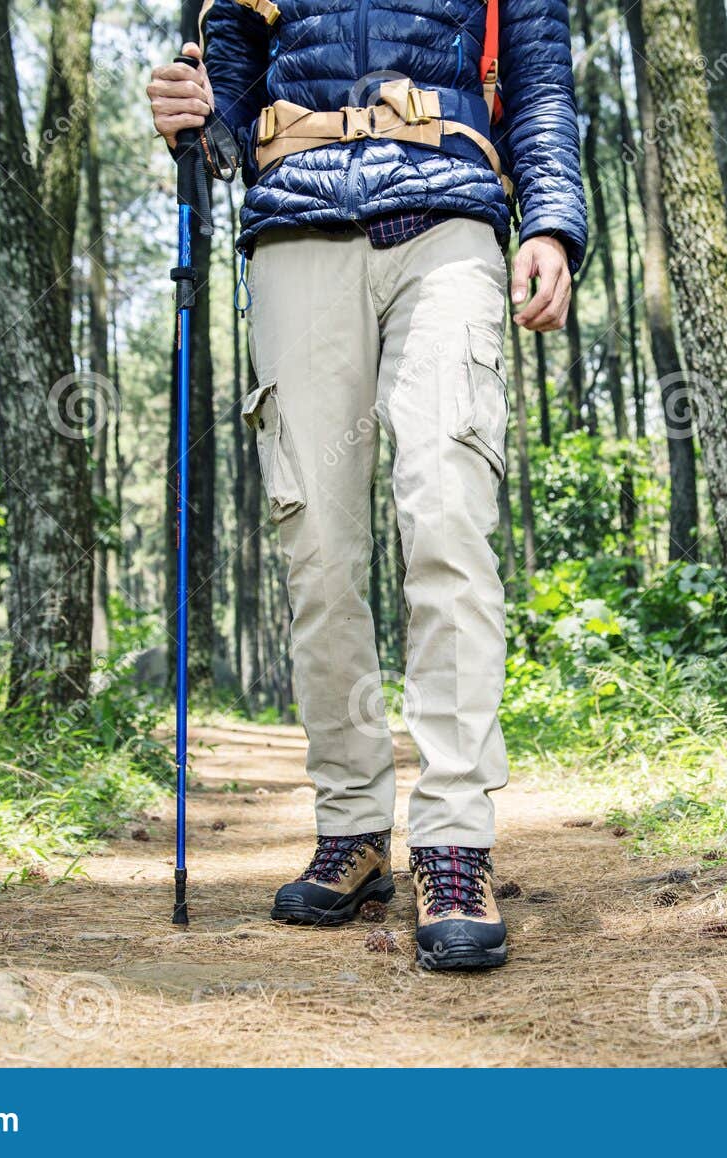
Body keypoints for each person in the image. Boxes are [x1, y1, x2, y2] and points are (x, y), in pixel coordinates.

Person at [147, 0, 586, 970]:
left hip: (449, 220)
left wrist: (550, 220)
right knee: (319, 546)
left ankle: (453, 842)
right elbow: (223, 116)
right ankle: (351, 827)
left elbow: (542, 80)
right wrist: (191, 113)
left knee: (446, 517)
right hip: (297, 222)